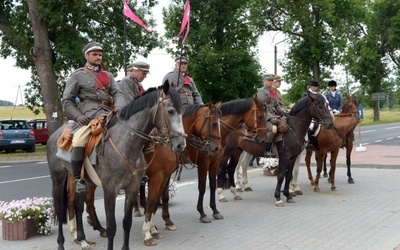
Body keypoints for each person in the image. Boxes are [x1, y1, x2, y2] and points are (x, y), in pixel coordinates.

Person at [62, 41, 124, 193]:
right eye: (95, 55)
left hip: (109, 112)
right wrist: (77, 117)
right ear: (87, 56)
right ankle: (78, 179)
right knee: (78, 140)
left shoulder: (108, 75)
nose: (98, 57)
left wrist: (118, 106)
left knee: (129, 133)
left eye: (100, 55)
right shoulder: (78, 75)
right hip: (88, 115)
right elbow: (67, 101)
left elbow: (118, 93)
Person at [257, 74, 286, 158]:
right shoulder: (262, 92)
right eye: (268, 80)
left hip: (274, 115)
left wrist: (284, 112)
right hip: (264, 116)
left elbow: (276, 106)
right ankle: (266, 149)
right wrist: (270, 117)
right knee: (273, 129)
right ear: (264, 81)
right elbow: (261, 108)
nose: (270, 82)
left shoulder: (272, 92)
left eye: (272, 80)